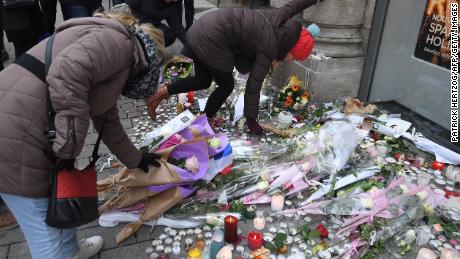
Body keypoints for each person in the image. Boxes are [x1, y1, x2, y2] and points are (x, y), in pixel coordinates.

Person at [0, 10, 165, 259]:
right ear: (150, 59)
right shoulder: (120, 44)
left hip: (25, 120)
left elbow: (106, 118)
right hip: (15, 130)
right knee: (44, 232)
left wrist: (136, 159)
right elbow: (66, 74)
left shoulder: (112, 51)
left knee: (60, 197)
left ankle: (72, 252)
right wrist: (68, 147)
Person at [147, 0, 322, 134]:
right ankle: (205, 120)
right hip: (214, 38)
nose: (291, 61)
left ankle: (161, 92)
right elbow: (254, 85)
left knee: (202, 78)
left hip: (204, 26)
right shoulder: (271, 45)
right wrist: (252, 120)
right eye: (294, 57)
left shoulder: (279, 19)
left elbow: (294, 5)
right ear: (292, 47)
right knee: (226, 85)